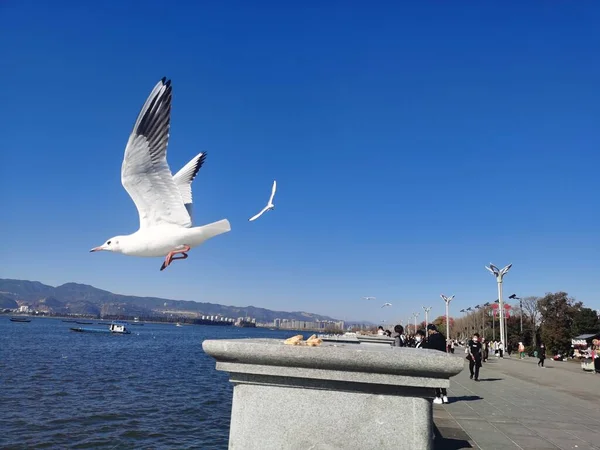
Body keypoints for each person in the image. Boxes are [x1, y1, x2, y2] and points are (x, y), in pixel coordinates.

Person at [424, 324, 449, 404]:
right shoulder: (442, 336)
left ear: (431, 330)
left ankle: (438, 397)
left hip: (435, 359)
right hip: (443, 359)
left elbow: (430, 349)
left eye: (428, 330)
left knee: (436, 379)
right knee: (442, 378)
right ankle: (445, 396)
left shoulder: (432, 338)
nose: (428, 332)